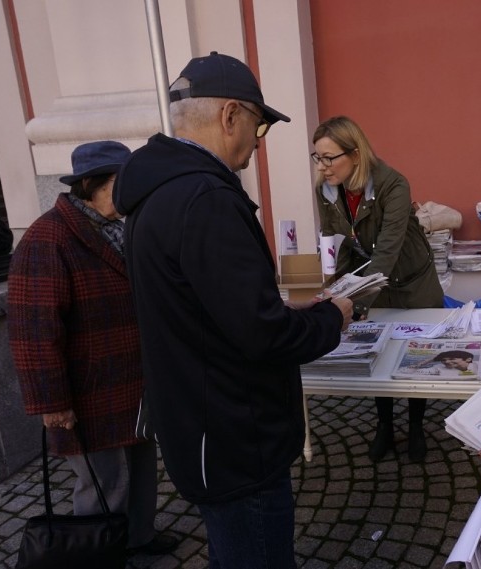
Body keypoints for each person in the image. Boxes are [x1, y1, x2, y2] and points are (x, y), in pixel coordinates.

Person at [112, 52, 353, 569]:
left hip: (200, 429)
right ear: (229, 116)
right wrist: (331, 318)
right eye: (258, 125)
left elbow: (208, 310)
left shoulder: (155, 195)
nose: (257, 143)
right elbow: (262, 334)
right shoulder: (206, 198)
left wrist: (284, 308)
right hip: (235, 438)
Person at [7, 140, 177, 556]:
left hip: (132, 381)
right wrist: (53, 402)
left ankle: (137, 537)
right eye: (125, 182)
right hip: (87, 393)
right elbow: (33, 331)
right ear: (91, 184)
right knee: (103, 481)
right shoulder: (48, 237)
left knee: (140, 468)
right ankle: (94, 553)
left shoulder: (124, 225)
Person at [312, 115, 444, 463]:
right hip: (372, 281)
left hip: (412, 281)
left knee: (418, 354)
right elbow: (337, 243)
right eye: (318, 157)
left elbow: (388, 249)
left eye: (329, 158)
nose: (322, 167)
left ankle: (416, 426)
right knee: (378, 352)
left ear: (355, 154)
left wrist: (351, 299)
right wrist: (332, 289)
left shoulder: (393, 185)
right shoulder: (326, 190)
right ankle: (384, 425)